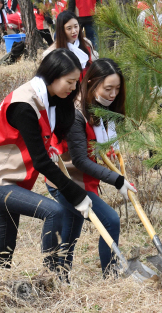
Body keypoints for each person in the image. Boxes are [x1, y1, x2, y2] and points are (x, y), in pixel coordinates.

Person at [0, 49, 90, 273]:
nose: (74, 88)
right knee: (54, 212)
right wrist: (75, 193)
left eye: (76, 82)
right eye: (70, 82)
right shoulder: (24, 104)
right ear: (53, 76)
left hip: (9, 177)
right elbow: (41, 162)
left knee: (6, 239)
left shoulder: (46, 99)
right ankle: (51, 276)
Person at [46, 58, 135, 276]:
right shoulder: (78, 113)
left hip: (79, 180)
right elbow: (80, 160)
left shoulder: (102, 109)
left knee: (71, 229)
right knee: (110, 220)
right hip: (66, 180)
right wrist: (117, 180)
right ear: (92, 83)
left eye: (117, 89)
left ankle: (59, 275)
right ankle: (111, 274)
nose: (113, 94)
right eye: (108, 89)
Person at [43, 11, 98, 77]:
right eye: (69, 28)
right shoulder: (52, 52)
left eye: (76, 26)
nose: (74, 31)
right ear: (61, 30)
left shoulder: (86, 44)